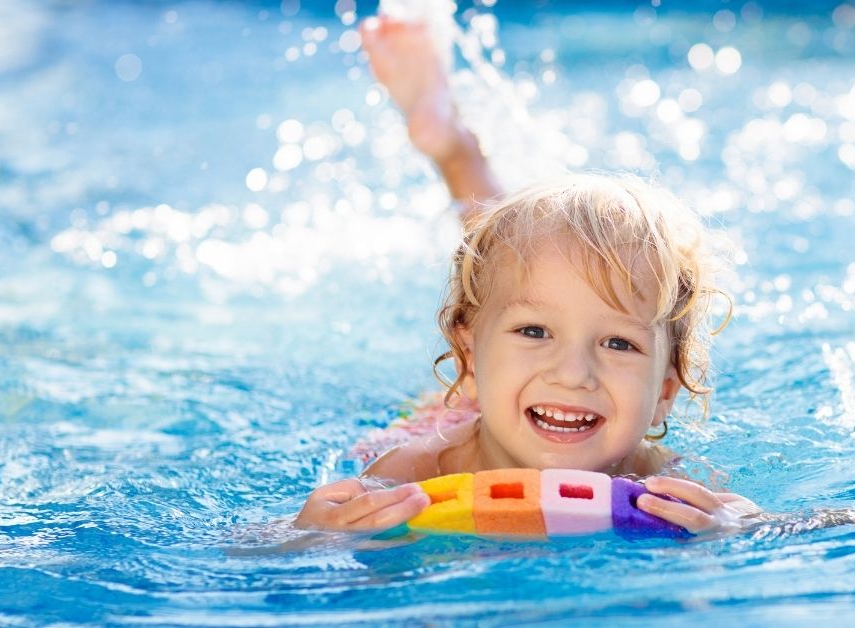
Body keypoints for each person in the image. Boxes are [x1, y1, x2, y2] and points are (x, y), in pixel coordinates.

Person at [293, 14, 763, 537]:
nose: (572, 374)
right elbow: (256, 556)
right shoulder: (413, 471)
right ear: (466, 360)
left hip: (508, 389)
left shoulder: (667, 480)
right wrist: (315, 531)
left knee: (518, 280)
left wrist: (737, 524)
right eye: (535, 332)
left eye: (618, 343)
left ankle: (453, 145)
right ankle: (453, 145)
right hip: (449, 414)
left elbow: (823, 525)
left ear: (665, 393)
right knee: (502, 266)